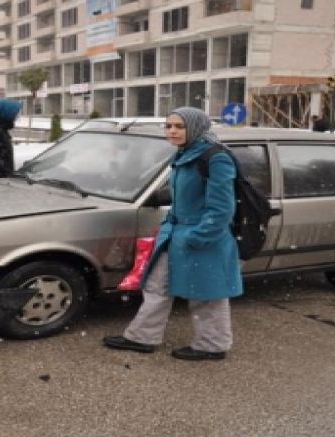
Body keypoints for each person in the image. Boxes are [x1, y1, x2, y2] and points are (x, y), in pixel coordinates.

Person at [102, 106, 241, 361]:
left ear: (196, 127)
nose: (173, 131)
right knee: (157, 286)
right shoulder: (184, 153)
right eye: (169, 126)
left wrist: (197, 236)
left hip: (203, 238)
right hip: (175, 234)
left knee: (206, 294)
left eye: (179, 126)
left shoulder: (215, 157)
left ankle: (212, 345)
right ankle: (142, 337)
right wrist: (169, 225)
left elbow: (222, 208)